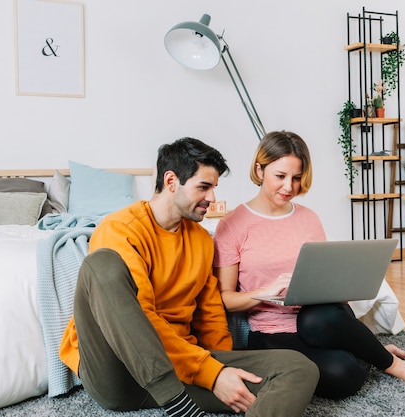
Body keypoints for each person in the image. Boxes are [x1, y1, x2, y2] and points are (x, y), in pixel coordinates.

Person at [59, 137, 319, 417]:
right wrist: (211, 374)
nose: (212, 199)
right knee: (101, 263)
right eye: (203, 187)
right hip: (120, 371)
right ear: (171, 182)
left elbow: (210, 315)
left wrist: (224, 371)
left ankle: (184, 394)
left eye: (214, 188)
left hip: (182, 365)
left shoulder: (201, 240)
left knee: (300, 367)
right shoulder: (120, 229)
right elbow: (141, 316)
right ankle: (179, 407)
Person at [212, 131, 405, 399]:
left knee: (317, 318)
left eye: (296, 178)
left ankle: (394, 365)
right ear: (259, 170)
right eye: (280, 176)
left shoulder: (309, 219)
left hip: (318, 319)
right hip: (270, 331)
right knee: (344, 375)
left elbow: (324, 278)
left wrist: (342, 285)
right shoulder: (232, 225)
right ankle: (371, 352)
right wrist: (263, 292)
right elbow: (225, 299)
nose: (289, 187)